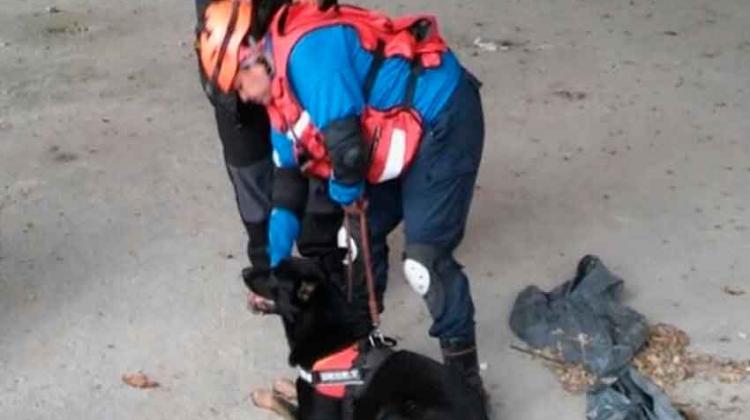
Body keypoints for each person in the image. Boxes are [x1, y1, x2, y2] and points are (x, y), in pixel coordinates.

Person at [196, 0, 487, 408]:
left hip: (442, 116)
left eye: (240, 88)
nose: (244, 98)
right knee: (351, 240)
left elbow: (348, 153)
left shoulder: (307, 52)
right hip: (391, 131)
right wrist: (276, 262)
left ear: (251, 58)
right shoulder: (276, 89)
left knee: (424, 262)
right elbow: (288, 183)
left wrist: (350, 201)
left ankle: (465, 389)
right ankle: (360, 352)